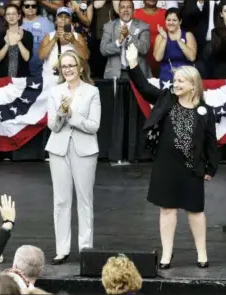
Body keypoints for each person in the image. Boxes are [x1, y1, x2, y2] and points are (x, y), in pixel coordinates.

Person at [126, 43, 219, 269]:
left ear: (193, 86)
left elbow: (211, 144)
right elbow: (144, 87)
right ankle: (167, 254)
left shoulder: (204, 111)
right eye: (175, 80)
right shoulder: (166, 98)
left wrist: (210, 169)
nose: (175, 84)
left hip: (192, 167)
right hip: (166, 166)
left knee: (195, 211)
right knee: (167, 210)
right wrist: (132, 64)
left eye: (180, 81)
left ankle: (202, 254)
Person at [45, 50, 101, 265]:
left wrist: (73, 115)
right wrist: (60, 113)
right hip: (58, 149)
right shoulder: (54, 91)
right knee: (61, 200)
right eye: (64, 66)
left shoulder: (92, 92)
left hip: (85, 150)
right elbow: (52, 125)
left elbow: (94, 126)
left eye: (71, 65)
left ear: (80, 68)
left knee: (85, 200)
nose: (68, 69)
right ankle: (62, 249)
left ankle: (86, 249)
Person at [100, 0, 151, 79]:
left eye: (129, 7)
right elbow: (103, 50)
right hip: (115, 74)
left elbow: (144, 49)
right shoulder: (108, 27)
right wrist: (118, 42)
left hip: (138, 73)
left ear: (133, 11)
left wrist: (129, 37)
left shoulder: (143, 26)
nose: (126, 10)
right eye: (123, 7)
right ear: (119, 11)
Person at [38, 6, 89, 77]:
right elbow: (41, 56)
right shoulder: (48, 36)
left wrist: (73, 41)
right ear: (55, 20)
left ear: (71, 20)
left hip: (71, 78)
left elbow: (85, 57)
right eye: (60, 16)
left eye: (67, 17)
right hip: (51, 79)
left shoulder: (77, 36)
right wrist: (54, 39)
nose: (63, 19)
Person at [153, 8, 197, 88]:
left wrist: (179, 41)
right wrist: (165, 39)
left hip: (185, 74)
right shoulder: (160, 37)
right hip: (166, 76)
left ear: (180, 21)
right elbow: (158, 58)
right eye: (168, 20)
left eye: (174, 20)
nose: (171, 23)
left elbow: (192, 57)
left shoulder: (188, 35)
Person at [0, 3, 34, 77]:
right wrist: (7, 44)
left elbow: (27, 58)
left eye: (13, 14)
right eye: (8, 14)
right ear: (5, 17)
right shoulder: (1, 35)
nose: (11, 16)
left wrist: (19, 41)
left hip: (21, 78)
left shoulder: (27, 35)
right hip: (2, 77)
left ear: (19, 16)